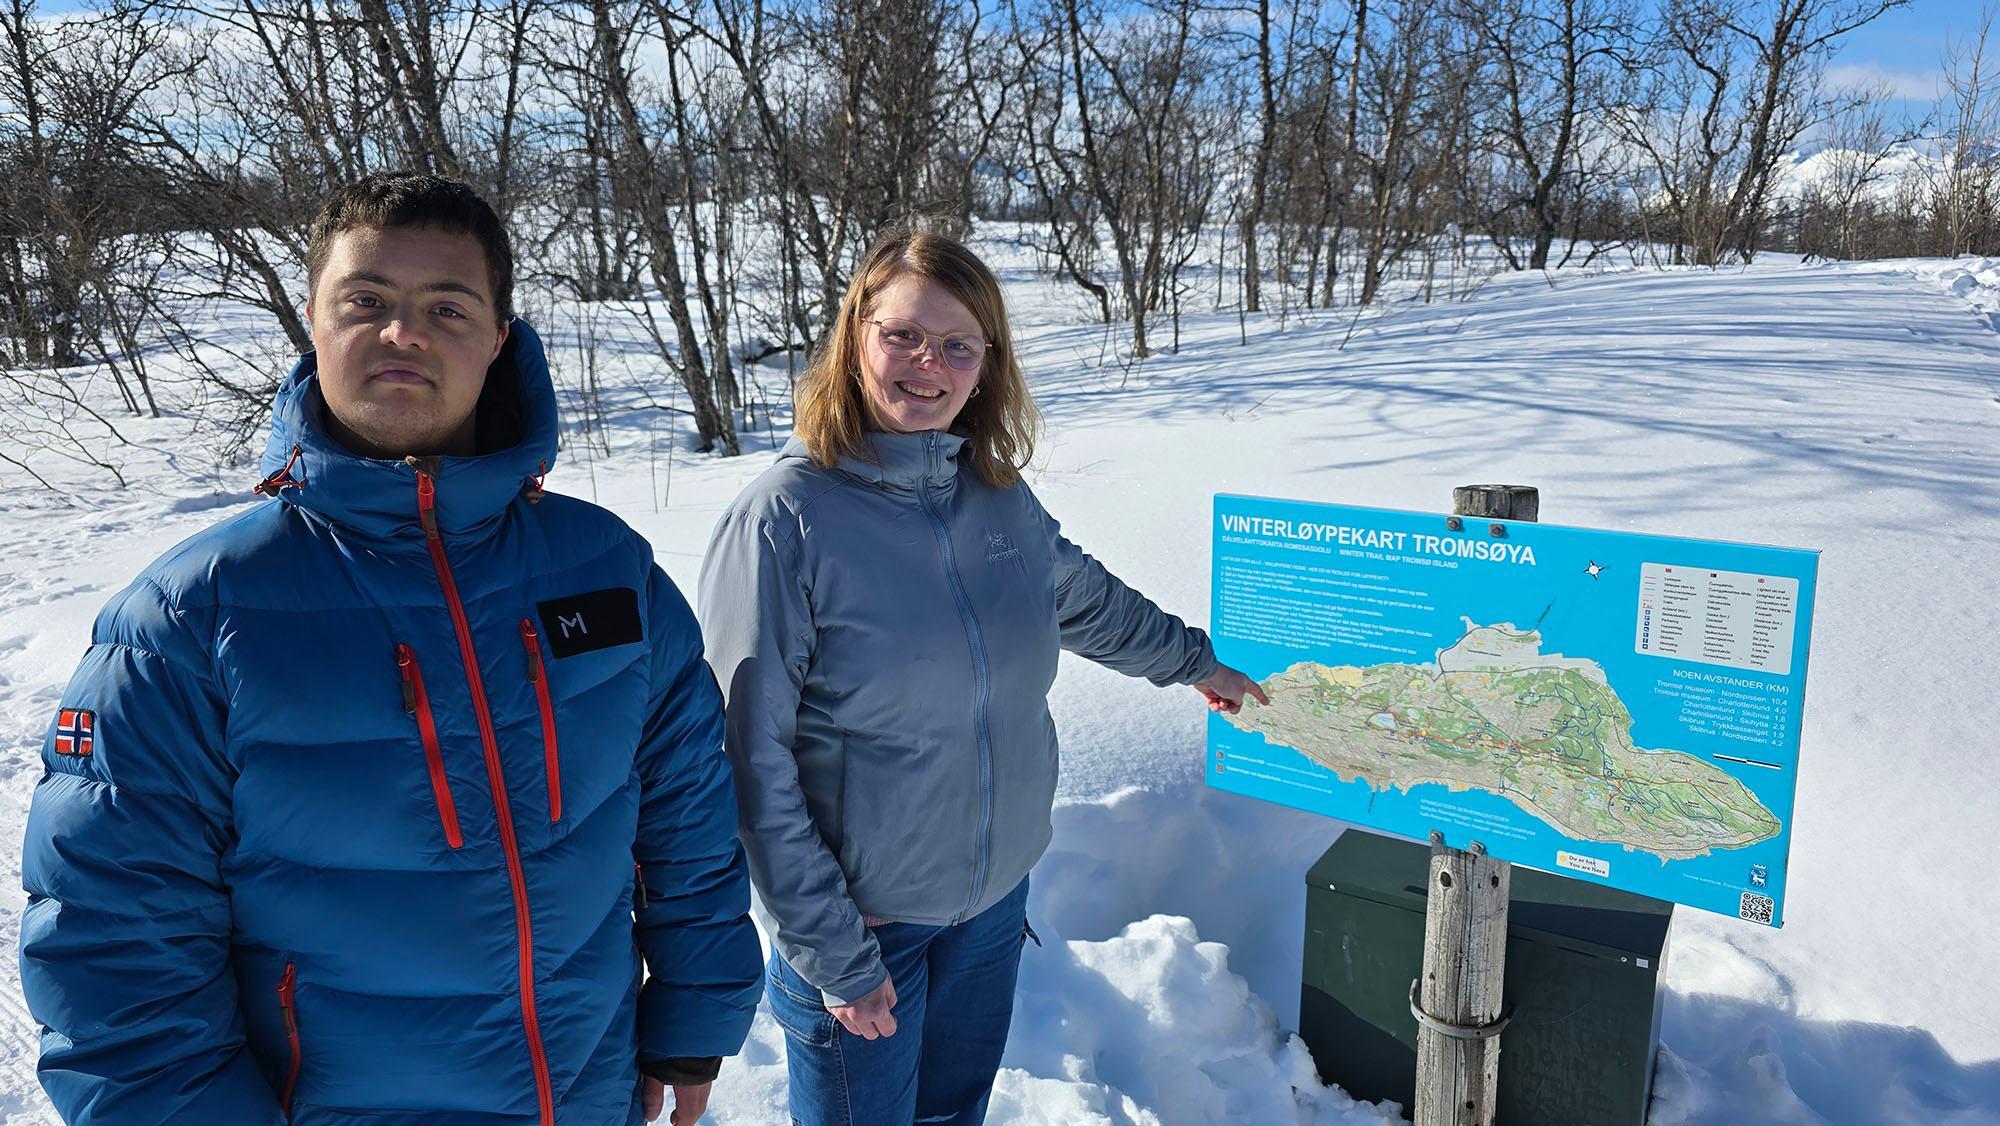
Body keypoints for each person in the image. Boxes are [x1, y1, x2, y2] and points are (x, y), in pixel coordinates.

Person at [18, 173, 761, 1125]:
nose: (403, 334)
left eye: (446, 308)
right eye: (365, 301)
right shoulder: (192, 619)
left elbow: (686, 813)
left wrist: (695, 1009)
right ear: (314, 322)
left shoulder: (604, 570)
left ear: (498, 340)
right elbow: (114, 945)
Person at [697, 228, 1266, 1125]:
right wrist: (833, 949)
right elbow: (748, 759)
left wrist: (1198, 664)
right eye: (904, 336)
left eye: (959, 344)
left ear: (987, 363)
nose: (930, 364)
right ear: (854, 338)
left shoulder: (993, 494)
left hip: (992, 908)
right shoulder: (784, 520)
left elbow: (1084, 600)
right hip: (864, 929)